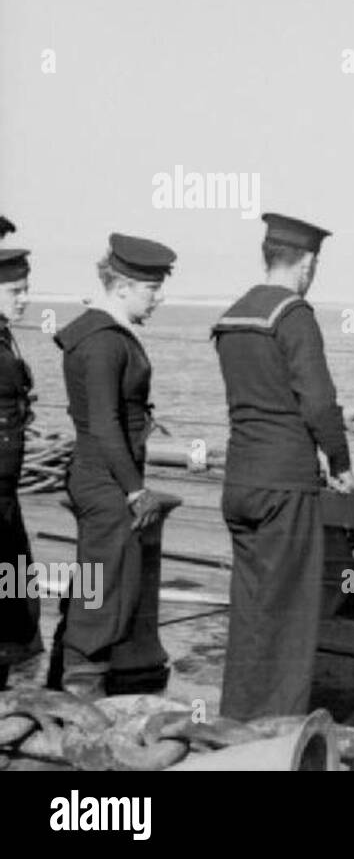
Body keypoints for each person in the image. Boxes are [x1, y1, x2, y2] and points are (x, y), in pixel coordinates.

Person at [212, 213, 354, 720]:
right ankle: (278, 727)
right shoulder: (293, 314)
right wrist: (339, 459)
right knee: (293, 611)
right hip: (285, 483)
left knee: (252, 607)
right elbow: (318, 402)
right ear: (308, 263)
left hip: (240, 479)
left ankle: (238, 713)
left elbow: (263, 394)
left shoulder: (233, 317)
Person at [49, 234, 178, 698]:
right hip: (105, 481)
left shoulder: (96, 334)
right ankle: (82, 699)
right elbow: (104, 423)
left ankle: (61, 690)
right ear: (122, 287)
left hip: (94, 475)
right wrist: (133, 491)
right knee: (105, 593)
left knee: (95, 584)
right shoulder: (105, 341)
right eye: (151, 288)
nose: (159, 297)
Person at [0, 247, 40, 689]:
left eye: (26, 289)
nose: (24, 298)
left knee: (15, 591)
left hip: (8, 493)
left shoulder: (6, 338)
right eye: (14, 290)